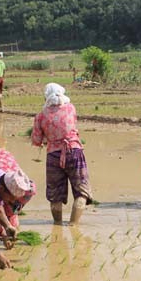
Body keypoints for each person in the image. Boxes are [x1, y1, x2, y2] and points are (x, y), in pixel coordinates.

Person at [32, 83, 92, 225]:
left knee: (55, 196)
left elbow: (36, 140)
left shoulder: (40, 116)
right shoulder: (71, 108)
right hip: (74, 151)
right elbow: (72, 126)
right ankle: (73, 225)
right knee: (81, 191)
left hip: (53, 155)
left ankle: (57, 225)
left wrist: (48, 138)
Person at [0, 147, 36, 237]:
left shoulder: (26, 189)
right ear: (3, 190)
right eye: (11, 198)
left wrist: (11, 226)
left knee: (10, 211)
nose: (13, 201)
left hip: (6, 159)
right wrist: (2, 235)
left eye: (15, 199)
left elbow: (14, 210)